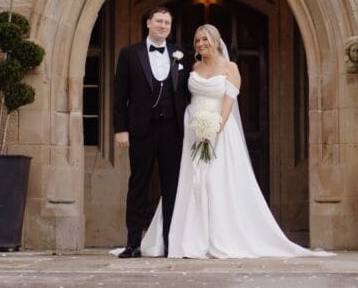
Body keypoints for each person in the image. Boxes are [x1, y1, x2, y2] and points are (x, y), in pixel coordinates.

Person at [140, 24, 333, 258]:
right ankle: (186, 239)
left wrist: (212, 131)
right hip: (192, 130)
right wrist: (194, 127)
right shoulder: (194, 66)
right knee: (189, 183)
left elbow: (228, 104)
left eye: (205, 39)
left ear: (215, 40)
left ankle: (217, 238)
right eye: (197, 40)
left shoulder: (230, 68)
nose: (200, 44)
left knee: (213, 182)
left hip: (219, 131)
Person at [112, 6, 189, 258]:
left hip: (172, 130)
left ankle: (168, 242)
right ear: (148, 23)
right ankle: (133, 243)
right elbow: (119, 95)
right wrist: (121, 129)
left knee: (171, 187)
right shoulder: (129, 54)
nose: (163, 26)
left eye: (167, 22)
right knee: (138, 185)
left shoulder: (180, 54)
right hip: (141, 130)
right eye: (158, 21)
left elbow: (189, 90)